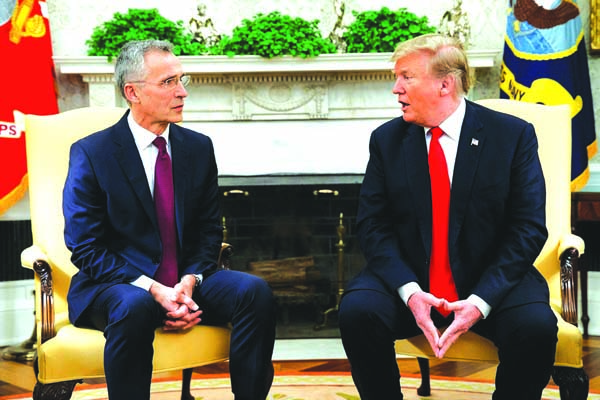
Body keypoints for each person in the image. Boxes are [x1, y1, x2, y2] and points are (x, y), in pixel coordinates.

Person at [338, 33, 558, 400]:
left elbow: (528, 228)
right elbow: (372, 226)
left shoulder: (511, 136)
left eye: (406, 77)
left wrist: (480, 301)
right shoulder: (386, 140)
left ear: (445, 84)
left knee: (535, 327)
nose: (396, 89)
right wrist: (409, 292)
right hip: (410, 278)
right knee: (357, 311)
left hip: (489, 279)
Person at [62, 40, 276, 400]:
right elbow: (85, 247)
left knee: (254, 292)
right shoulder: (92, 153)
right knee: (134, 305)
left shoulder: (198, 147)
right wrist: (153, 289)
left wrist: (190, 282)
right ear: (133, 92)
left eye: (182, 79)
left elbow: (209, 230)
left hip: (184, 281)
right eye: (168, 82)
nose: (183, 92)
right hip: (117, 286)